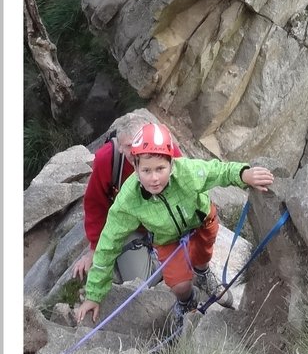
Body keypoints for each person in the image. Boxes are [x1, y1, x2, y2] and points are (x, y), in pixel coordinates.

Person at [74, 121, 274, 326]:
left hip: (201, 223)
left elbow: (217, 171)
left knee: (202, 256)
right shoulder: (128, 199)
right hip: (167, 238)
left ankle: (203, 273)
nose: (154, 178)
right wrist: (93, 295)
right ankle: (187, 300)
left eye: (160, 168)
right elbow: (108, 245)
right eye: (146, 171)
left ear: (172, 163)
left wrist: (243, 174)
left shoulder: (186, 171)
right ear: (134, 167)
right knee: (179, 285)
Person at [72, 118, 182, 284]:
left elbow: (186, 184)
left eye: (137, 144)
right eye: (128, 146)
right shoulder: (107, 159)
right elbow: (95, 204)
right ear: (120, 147)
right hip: (129, 225)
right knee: (141, 281)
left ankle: (167, 257)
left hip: (165, 219)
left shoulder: (165, 151)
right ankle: (163, 261)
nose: (133, 151)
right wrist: (95, 248)